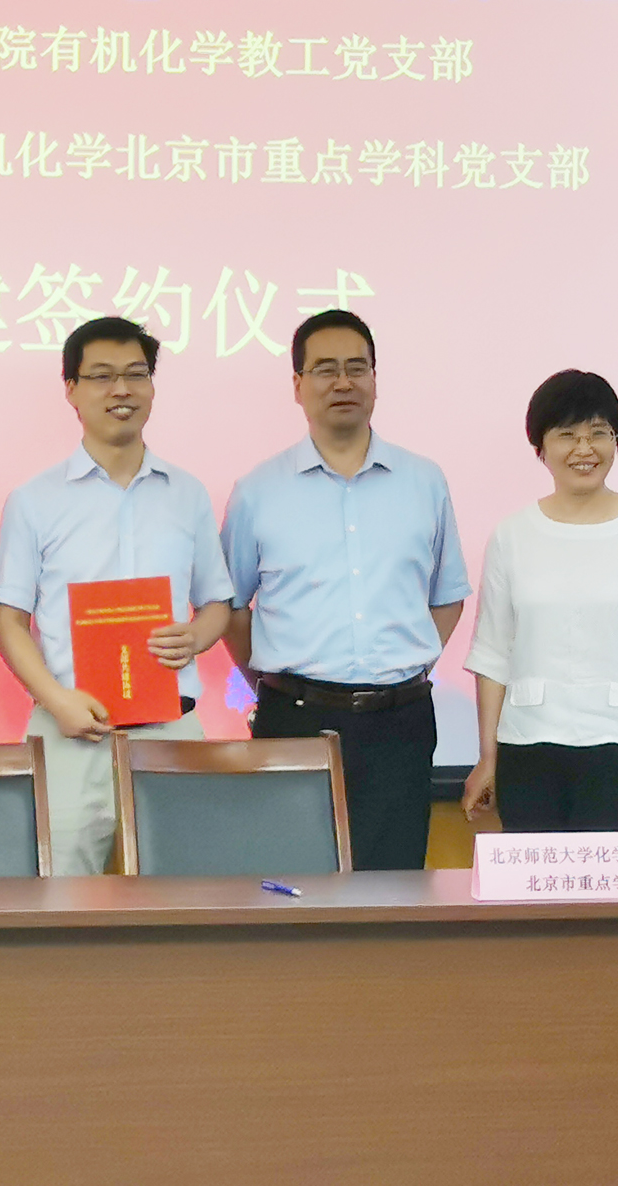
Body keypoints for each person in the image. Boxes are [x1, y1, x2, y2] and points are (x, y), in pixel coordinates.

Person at [221, 310, 471, 871]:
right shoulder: (258, 490)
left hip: (399, 724)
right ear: (298, 384)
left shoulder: (424, 480)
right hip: (294, 719)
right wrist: (271, 682)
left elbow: (448, 595)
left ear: (376, 380)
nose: (343, 382)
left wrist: (404, 664)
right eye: (325, 369)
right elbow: (232, 609)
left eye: (357, 368)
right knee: (291, 887)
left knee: (393, 888)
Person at [0, 317, 234, 875]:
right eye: (101, 376)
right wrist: (57, 700)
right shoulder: (35, 499)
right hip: (70, 731)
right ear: (71, 389)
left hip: (172, 728)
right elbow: (10, 621)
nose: (121, 390)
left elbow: (217, 604)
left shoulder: (187, 493)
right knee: (61, 892)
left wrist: (196, 637)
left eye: (135, 374)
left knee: (183, 890)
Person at [461, 370, 618, 831]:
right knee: (536, 879)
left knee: (616, 880)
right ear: (540, 446)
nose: (584, 448)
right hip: (528, 750)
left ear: (617, 441)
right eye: (567, 435)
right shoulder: (512, 535)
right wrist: (488, 758)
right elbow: (493, 655)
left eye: (599, 433)